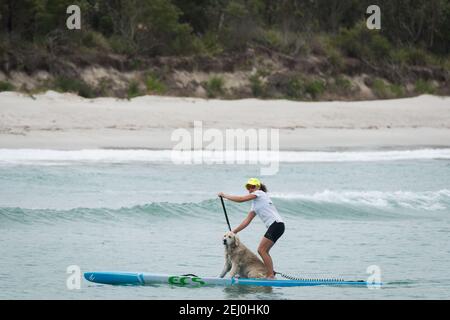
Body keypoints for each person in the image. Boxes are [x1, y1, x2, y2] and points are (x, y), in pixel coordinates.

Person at [218, 178, 285, 279]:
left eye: (252, 186)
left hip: (276, 225)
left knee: (262, 250)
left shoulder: (260, 193)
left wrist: (224, 195)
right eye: (248, 187)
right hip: (276, 226)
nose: (250, 189)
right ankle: (270, 273)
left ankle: (270, 275)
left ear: (258, 187)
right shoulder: (255, 204)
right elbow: (247, 221)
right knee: (263, 251)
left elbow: (241, 199)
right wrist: (234, 232)